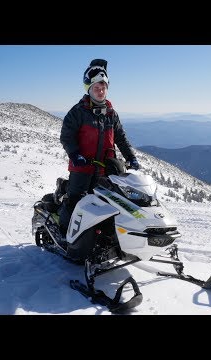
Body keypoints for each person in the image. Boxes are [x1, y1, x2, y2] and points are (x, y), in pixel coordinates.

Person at [58, 58, 140, 236]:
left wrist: (130, 157)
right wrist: (75, 154)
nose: (101, 91)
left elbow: (121, 138)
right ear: (89, 89)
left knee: (107, 204)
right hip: (82, 167)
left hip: (106, 168)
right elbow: (66, 136)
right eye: (97, 87)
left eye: (103, 87)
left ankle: (102, 237)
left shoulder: (111, 113)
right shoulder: (78, 112)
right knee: (76, 201)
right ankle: (64, 234)